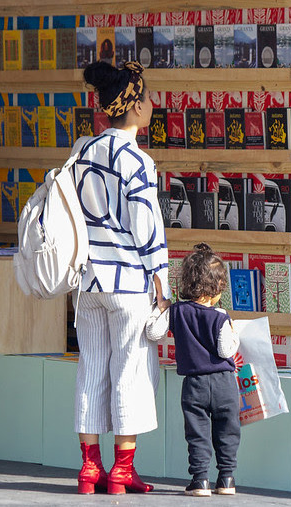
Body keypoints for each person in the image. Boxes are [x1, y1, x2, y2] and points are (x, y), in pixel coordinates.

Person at [74, 60, 170, 496]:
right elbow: (147, 228)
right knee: (129, 371)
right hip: (129, 282)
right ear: (134, 108)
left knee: (92, 369)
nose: (151, 104)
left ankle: (89, 469)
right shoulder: (137, 161)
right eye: (147, 97)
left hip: (88, 283)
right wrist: (162, 284)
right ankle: (120, 470)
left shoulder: (82, 153)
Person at [145, 243, 241, 497]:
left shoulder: (177, 311)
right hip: (224, 384)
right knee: (227, 432)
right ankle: (227, 479)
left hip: (194, 385)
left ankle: (200, 481)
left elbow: (153, 332)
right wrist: (235, 334)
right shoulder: (220, 316)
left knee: (197, 434)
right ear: (217, 287)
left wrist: (161, 306)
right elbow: (225, 351)